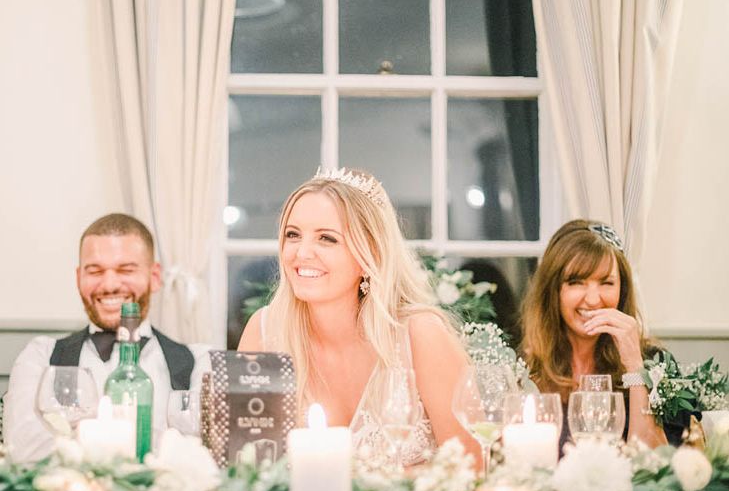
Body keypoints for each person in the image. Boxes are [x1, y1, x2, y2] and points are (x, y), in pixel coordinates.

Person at [238, 168, 480, 467]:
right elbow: (245, 471)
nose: (302, 252)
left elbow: (473, 467)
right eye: (293, 235)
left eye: (327, 238)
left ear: (370, 255)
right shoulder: (263, 334)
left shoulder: (420, 335)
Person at [4, 213, 209, 462]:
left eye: (126, 269)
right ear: (79, 277)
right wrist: (162, 442)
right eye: (95, 271)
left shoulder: (198, 361)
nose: (109, 284)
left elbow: (206, 454)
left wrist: (80, 438)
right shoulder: (42, 355)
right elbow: (25, 450)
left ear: (154, 277)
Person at [520, 219, 681, 449]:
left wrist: (635, 367)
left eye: (606, 282)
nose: (594, 300)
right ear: (553, 290)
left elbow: (654, 466)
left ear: (622, 289)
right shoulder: (524, 365)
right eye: (576, 282)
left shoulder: (655, 364)